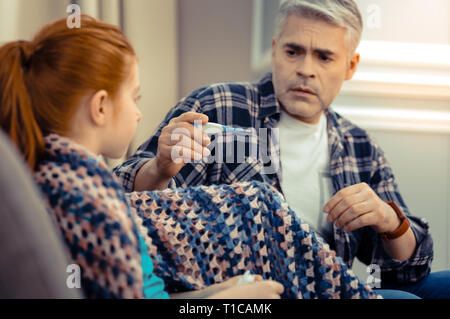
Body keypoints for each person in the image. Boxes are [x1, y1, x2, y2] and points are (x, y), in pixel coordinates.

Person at [0, 15, 380, 299]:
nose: (137, 114)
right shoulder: (87, 198)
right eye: (134, 98)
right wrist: (226, 300)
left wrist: (223, 291)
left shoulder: (76, 180)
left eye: (324, 57)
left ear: (350, 65)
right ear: (100, 107)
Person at [114, 0, 450, 299]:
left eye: (324, 56)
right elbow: (115, 196)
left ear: (350, 66)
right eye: (293, 51)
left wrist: (389, 219)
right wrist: (158, 168)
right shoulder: (216, 106)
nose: (306, 68)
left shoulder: (359, 146)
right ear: (275, 50)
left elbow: (407, 272)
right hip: (238, 292)